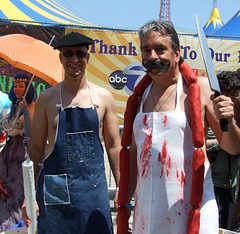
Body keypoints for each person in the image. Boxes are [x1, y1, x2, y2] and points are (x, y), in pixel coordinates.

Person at [117, 20, 240, 234]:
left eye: (160, 49)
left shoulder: (199, 88)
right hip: (148, 214)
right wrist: (124, 206)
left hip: (192, 212)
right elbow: (134, 159)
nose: (153, 56)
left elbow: (233, 147)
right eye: (146, 50)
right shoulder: (139, 97)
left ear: (176, 53)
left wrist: (229, 121)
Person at [22, 32, 121, 233]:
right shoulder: (46, 99)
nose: (74, 59)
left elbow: (114, 147)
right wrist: (28, 194)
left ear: (87, 57)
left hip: (93, 192)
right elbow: (36, 148)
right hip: (55, 192)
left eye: (80, 53)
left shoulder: (104, 98)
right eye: (68, 54)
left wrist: (121, 187)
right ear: (61, 58)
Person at [0, 73, 35, 232]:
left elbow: (30, 133)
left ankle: (16, 227)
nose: (18, 89)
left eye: (22, 86)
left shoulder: (34, 106)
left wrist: (26, 113)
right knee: (5, 192)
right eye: (15, 86)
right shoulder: (13, 106)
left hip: (22, 154)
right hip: (7, 155)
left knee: (17, 193)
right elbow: (8, 128)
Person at [206, 70, 240, 230]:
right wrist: (218, 143)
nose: (230, 101)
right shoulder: (209, 114)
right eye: (227, 95)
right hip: (210, 186)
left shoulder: (235, 119)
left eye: (234, 95)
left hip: (229, 188)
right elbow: (195, 144)